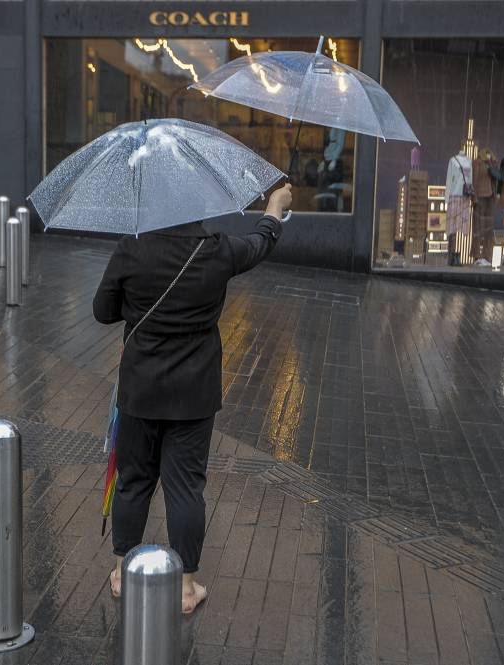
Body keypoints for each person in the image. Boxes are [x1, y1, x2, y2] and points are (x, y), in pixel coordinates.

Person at [93, 182, 293, 614]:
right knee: (186, 487)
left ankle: (124, 572)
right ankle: (185, 588)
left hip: (140, 389)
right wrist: (275, 208)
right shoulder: (216, 250)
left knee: (134, 480)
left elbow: (102, 311)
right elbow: (260, 244)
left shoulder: (132, 248)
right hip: (194, 394)